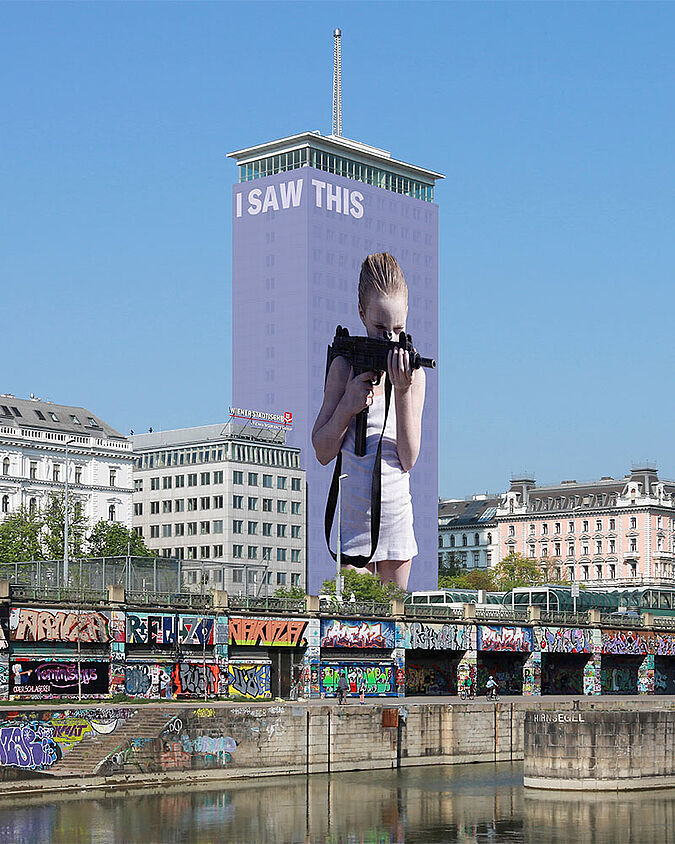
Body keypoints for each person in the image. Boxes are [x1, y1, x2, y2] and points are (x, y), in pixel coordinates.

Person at [312, 253, 426, 590]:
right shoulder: (344, 366)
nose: (389, 338)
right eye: (380, 329)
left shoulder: (414, 375)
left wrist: (401, 391)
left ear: (407, 314)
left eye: (398, 330)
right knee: (353, 619)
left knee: (394, 620)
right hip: (353, 525)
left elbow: (408, 458)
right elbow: (322, 451)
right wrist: (347, 405)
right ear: (361, 313)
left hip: (395, 519)